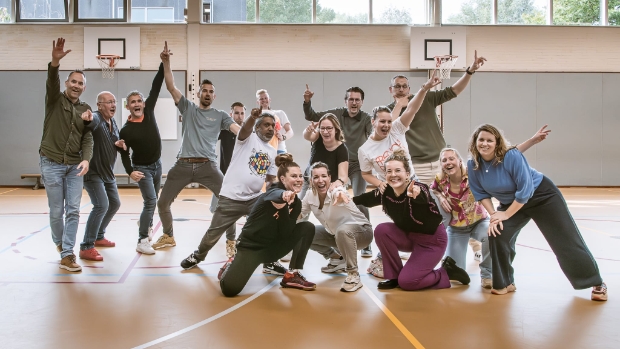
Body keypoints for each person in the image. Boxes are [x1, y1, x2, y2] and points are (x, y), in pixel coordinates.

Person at [467, 124, 607, 301]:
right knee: (497, 232)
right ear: (475, 142)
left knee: (565, 240)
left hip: (541, 196)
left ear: (497, 143)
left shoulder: (510, 156)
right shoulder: (473, 164)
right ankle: (505, 282)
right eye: (481, 139)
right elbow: (480, 193)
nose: (485, 143)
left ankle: (597, 282)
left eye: (489, 140)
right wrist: (495, 215)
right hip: (512, 203)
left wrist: (506, 214)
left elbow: (525, 191)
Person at [429, 126, 548, 288]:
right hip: (457, 228)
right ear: (441, 164)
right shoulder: (440, 180)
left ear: (459, 161)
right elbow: (432, 189)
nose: (448, 162)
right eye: (444, 160)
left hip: (479, 222)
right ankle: (465, 254)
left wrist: (533, 141)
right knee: (455, 274)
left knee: (493, 233)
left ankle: (487, 273)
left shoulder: (473, 171)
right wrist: (441, 196)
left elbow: (506, 155)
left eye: (451, 159)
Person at [338, 149, 470, 291]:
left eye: (398, 170)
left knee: (408, 282)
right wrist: (346, 199)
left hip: (431, 242)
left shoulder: (419, 189)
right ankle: (394, 276)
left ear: (407, 174)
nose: (393, 175)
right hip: (409, 236)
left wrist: (415, 196)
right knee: (382, 230)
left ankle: (446, 272)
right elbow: (367, 199)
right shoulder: (386, 191)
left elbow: (422, 198)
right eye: (389, 171)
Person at [154, 42, 241, 251]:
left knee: (228, 201)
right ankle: (168, 235)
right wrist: (166, 62)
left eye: (211, 91)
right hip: (182, 165)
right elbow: (171, 87)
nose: (208, 94)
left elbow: (237, 129)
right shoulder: (188, 108)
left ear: (215, 96)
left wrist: (252, 136)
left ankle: (231, 240)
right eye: (205, 90)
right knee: (162, 202)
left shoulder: (220, 115)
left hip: (208, 166)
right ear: (199, 93)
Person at [179, 108, 277, 270]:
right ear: (257, 127)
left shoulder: (272, 152)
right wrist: (252, 117)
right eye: (266, 125)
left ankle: (269, 261)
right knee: (213, 234)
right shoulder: (247, 138)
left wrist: (273, 196)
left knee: (267, 228)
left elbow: (270, 179)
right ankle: (198, 255)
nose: (270, 128)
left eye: (272, 126)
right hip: (231, 197)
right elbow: (245, 129)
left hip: (254, 198)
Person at [218, 154, 316, 297]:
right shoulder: (273, 192)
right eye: (294, 176)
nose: (299, 180)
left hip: (272, 248)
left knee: (307, 227)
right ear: (283, 179)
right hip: (251, 248)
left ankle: (292, 275)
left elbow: (286, 232)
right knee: (229, 290)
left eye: (300, 176)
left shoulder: (297, 204)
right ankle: (231, 264)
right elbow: (275, 195)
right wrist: (284, 196)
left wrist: (286, 212)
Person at [387, 51, 487, 185]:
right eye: (397, 86)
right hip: (415, 165)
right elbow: (388, 129)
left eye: (404, 86)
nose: (401, 89)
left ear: (409, 89)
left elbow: (454, 90)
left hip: (439, 160)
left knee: (445, 201)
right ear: (390, 89)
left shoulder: (426, 98)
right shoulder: (388, 112)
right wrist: (399, 105)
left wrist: (470, 71)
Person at [40, 38, 92, 272]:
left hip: (73, 166)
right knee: (56, 211)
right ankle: (60, 244)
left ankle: (68, 253)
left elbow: (87, 137)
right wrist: (55, 62)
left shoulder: (85, 109)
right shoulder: (54, 100)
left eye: (80, 83)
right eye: (73, 81)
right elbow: (51, 81)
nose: (77, 85)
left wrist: (86, 158)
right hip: (50, 162)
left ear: (83, 87)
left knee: (73, 210)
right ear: (66, 83)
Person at [303, 85, 373, 256]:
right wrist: (307, 101)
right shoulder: (335, 115)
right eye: (351, 99)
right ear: (345, 101)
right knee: (305, 204)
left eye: (357, 100)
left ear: (362, 102)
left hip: (355, 164)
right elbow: (312, 117)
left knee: (360, 198)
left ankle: (365, 240)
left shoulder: (365, 118)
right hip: (332, 166)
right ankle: (305, 240)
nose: (354, 102)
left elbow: (372, 137)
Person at [118, 48, 166, 255]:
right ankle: (142, 239)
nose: (137, 104)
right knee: (150, 202)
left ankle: (145, 223)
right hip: (142, 168)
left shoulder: (149, 111)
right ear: (128, 107)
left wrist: (163, 63)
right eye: (133, 103)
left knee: (153, 199)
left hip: (157, 165)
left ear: (143, 104)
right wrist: (130, 171)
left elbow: (156, 86)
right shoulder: (126, 130)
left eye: (139, 101)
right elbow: (123, 153)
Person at [300, 162, 373, 292]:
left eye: (324, 176)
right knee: (304, 232)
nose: (320, 180)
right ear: (311, 180)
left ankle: (353, 275)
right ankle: (337, 259)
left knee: (343, 230)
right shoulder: (310, 195)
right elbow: (299, 214)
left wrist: (341, 194)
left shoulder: (336, 190)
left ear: (329, 178)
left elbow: (339, 191)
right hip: (337, 235)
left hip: (362, 232)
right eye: (316, 177)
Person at [78, 92, 125, 261]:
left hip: (108, 173)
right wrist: (87, 119)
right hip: (94, 173)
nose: (113, 105)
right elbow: (89, 123)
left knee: (114, 204)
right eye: (109, 102)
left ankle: (98, 236)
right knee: (101, 205)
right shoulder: (97, 118)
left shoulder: (112, 122)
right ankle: (86, 246)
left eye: (114, 101)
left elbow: (115, 141)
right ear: (99, 105)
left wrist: (119, 144)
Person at [209, 102, 246, 258]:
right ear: (231, 114)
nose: (239, 116)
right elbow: (208, 136)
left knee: (234, 211)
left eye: (242, 113)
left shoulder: (248, 133)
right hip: (224, 178)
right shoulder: (224, 132)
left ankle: (232, 241)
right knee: (214, 209)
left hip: (242, 179)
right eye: (236, 113)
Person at [299, 113, 349, 198]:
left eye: (329, 128)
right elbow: (307, 136)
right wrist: (308, 130)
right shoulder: (318, 136)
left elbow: (343, 176)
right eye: (322, 128)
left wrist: (338, 183)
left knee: (325, 209)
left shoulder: (342, 149)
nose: (325, 132)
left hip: (328, 185)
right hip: (310, 181)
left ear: (336, 130)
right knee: (300, 208)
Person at [257, 89, 293, 154]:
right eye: (261, 99)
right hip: (261, 150)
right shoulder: (255, 117)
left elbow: (290, 131)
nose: (264, 100)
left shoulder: (280, 113)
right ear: (257, 102)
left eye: (266, 98)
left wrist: (283, 137)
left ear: (269, 100)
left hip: (279, 150)